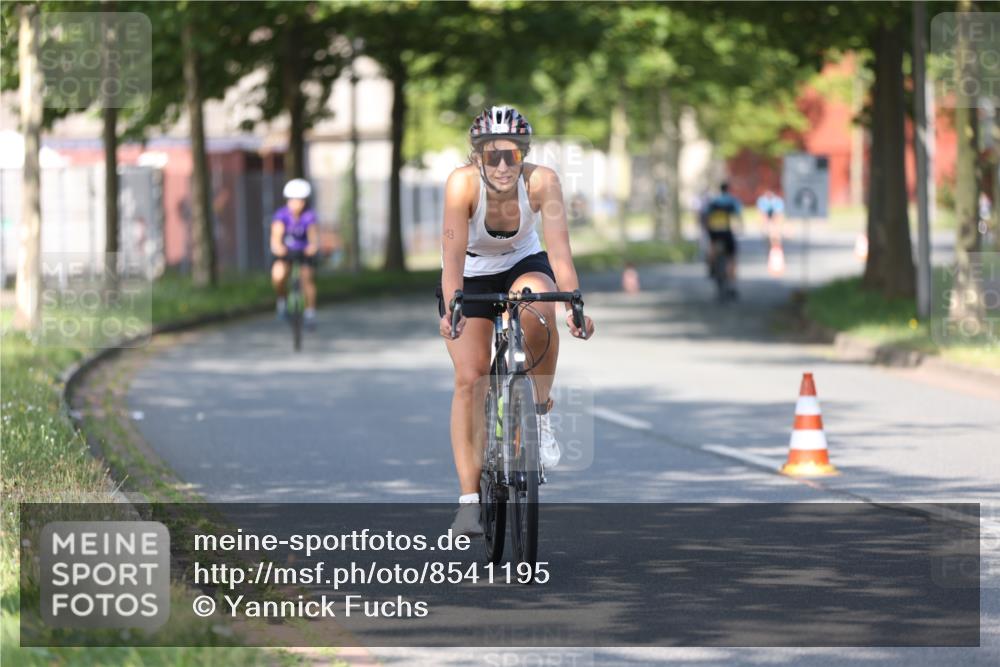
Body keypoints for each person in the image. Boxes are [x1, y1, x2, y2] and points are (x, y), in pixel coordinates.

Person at [438, 106, 595, 535]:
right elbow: (451, 256)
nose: (504, 165)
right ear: (477, 157)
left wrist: (572, 307)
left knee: (538, 304)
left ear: (525, 154)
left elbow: (559, 253)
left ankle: (540, 414)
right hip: (469, 272)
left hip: (521, 261)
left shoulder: (542, 182)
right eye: (493, 156)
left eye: (513, 155)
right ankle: (470, 501)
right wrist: (453, 305)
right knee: (470, 380)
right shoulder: (461, 184)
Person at [271, 178, 319, 327]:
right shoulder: (281, 215)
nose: (296, 203)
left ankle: (310, 313)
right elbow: (275, 239)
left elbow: (313, 239)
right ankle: (282, 303)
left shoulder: (309, 216)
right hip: (286, 253)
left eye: (299, 200)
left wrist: (312, 248)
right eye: (292, 199)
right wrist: (278, 248)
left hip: (303, 253)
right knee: (278, 275)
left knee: (307, 279)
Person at [700, 182, 743, 298]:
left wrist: (705, 228)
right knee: (731, 257)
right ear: (728, 189)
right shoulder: (732, 200)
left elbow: (705, 215)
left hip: (713, 231)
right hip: (726, 231)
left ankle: (711, 265)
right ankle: (732, 284)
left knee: (712, 246)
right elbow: (738, 215)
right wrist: (740, 227)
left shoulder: (713, 201)